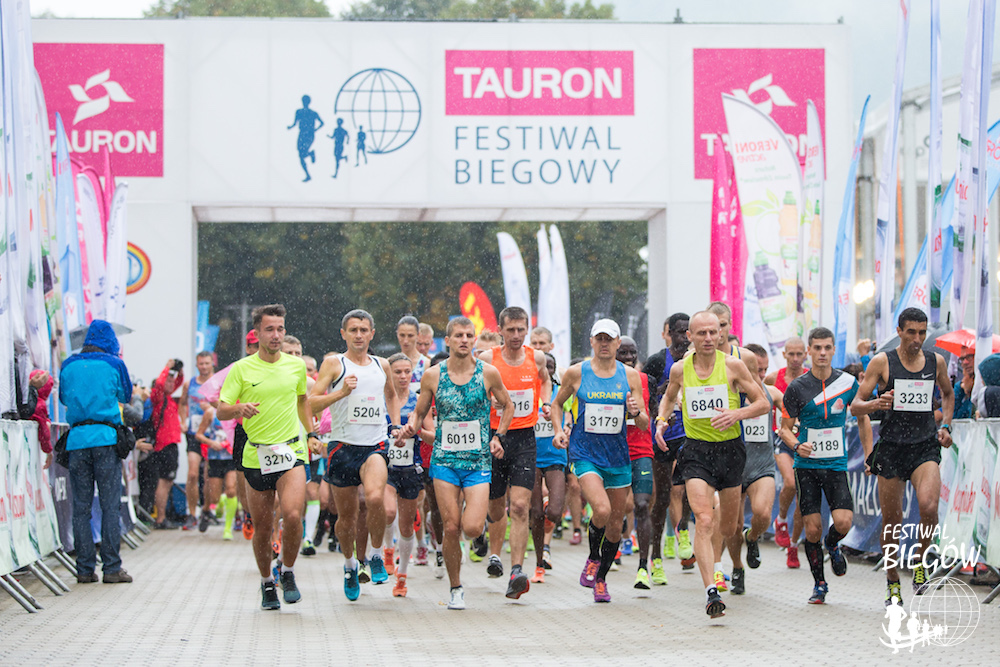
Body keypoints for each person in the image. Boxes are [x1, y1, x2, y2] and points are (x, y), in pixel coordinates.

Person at [655, 311, 768, 618]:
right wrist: (662, 420)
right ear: (689, 336)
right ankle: (711, 592)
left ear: (720, 334)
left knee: (728, 527)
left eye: (712, 332)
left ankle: (735, 542)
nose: (707, 338)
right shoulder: (680, 369)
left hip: (730, 450)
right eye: (701, 333)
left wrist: (737, 414)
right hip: (696, 451)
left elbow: (762, 403)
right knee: (704, 521)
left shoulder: (732, 365)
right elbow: (669, 397)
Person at [398, 316, 513, 610]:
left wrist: (499, 436)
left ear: (474, 340)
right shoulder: (433, 375)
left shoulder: (488, 373)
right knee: (450, 527)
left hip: (478, 461)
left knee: (471, 528)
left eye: (469, 335)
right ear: (447, 340)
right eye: (459, 335)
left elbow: (508, 404)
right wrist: (410, 428)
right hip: (445, 460)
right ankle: (456, 587)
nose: (464, 340)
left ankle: (477, 533)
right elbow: (419, 410)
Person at [218, 304, 323, 610]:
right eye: (269, 329)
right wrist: (238, 409)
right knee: (263, 528)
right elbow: (222, 409)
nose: (276, 335)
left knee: (292, 514)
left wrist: (311, 433)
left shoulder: (295, 367)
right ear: (257, 333)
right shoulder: (241, 369)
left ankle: (287, 571)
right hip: (257, 454)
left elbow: (303, 401)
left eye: (280, 329)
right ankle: (266, 582)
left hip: (291, 451)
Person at [852, 307, 954, 606]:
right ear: (899, 331)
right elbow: (856, 405)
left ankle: (920, 561)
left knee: (929, 506)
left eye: (922, 332)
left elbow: (948, 394)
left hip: (924, 446)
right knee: (892, 521)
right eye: (911, 332)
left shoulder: (936, 361)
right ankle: (892, 579)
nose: (917, 339)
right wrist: (877, 404)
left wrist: (946, 425)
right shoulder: (882, 362)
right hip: (892, 448)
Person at [551, 319, 648, 604]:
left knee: (616, 524)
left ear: (618, 343)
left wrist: (635, 412)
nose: (604, 344)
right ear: (592, 341)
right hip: (585, 454)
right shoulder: (576, 372)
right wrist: (558, 430)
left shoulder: (630, 376)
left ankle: (601, 579)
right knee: (602, 510)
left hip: (617, 456)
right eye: (600, 338)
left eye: (609, 339)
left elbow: (644, 422)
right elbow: (557, 404)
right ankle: (593, 557)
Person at [309, 309, 401, 601]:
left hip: (374, 446)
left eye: (364, 330)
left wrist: (394, 425)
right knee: (346, 519)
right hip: (342, 447)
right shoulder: (334, 364)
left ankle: (375, 554)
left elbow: (391, 395)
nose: (359, 335)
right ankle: (350, 565)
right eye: (353, 330)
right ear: (344, 334)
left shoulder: (382, 364)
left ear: (372, 334)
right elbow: (311, 403)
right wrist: (340, 394)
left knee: (375, 498)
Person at [781, 327, 869, 604]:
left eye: (827, 348)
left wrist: (869, 454)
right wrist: (797, 445)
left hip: (836, 465)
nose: (822, 353)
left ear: (833, 350)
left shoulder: (848, 383)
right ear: (809, 351)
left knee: (843, 522)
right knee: (812, 530)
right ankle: (819, 584)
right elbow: (784, 429)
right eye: (817, 348)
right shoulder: (797, 388)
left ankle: (832, 544)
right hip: (806, 466)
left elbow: (862, 416)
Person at [478, 306, 551, 599]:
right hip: (494, 439)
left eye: (521, 329)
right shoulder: (487, 359)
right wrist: (489, 402)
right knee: (496, 508)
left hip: (524, 439)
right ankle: (489, 539)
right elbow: (474, 392)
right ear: (500, 331)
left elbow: (545, 380)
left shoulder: (537, 358)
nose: (517, 335)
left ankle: (517, 572)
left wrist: (546, 402)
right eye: (511, 330)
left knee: (520, 506)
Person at [59, 320, 134, 584]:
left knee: (80, 508)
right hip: (106, 439)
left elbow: (64, 398)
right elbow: (126, 396)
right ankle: (111, 568)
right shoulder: (114, 363)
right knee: (109, 505)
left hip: (77, 441)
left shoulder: (68, 364)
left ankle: (84, 570)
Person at [726, 343, 783, 595]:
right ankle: (737, 567)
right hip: (734, 466)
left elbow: (792, 413)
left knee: (762, 514)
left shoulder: (772, 394)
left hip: (762, 465)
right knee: (732, 526)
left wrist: (793, 427)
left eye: (764, 370)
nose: (760, 376)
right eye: (755, 370)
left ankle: (752, 537)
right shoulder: (729, 393)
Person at [384, 353, 435, 597]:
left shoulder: (419, 401)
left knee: (406, 525)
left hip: (410, 468)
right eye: (398, 372)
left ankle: (402, 575)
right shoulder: (380, 400)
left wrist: (417, 431)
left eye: (407, 372)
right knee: (387, 511)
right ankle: (386, 550)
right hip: (385, 466)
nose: (403, 376)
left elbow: (433, 436)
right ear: (389, 374)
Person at [647, 313, 691, 582]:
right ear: (669, 334)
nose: (684, 337)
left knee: (688, 487)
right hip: (662, 436)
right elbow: (645, 395)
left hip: (689, 435)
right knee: (662, 497)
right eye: (679, 332)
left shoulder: (698, 361)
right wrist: (662, 400)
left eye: (688, 331)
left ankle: (683, 529)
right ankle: (656, 558)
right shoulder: (656, 361)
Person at [616, 336, 659, 590]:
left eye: (632, 353)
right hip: (612, 451)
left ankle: (643, 566)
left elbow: (652, 414)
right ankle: (607, 553)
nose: (629, 358)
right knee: (614, 509)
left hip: (641, 450)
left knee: (642, 505)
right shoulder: (602, 380)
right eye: (623, 353)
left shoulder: (646, 381)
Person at [765, 337, 807, 561]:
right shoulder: (774, 378)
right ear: (784, 354)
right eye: (791, 354)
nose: (795, 359)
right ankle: (781, 519)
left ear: (806, 354)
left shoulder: (811, 377)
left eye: (799, 354)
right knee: (790, 483)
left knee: (803, 498)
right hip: (782, 437)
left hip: (806, 441)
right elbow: (760, 397)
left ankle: (793, 545)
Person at [530, 353, 564, 584]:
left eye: (552, 367)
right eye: (545, 367)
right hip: (531, 455)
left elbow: (569, 415)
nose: (548, 371)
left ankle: (548, 515)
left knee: (554, 511)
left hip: (555, 454)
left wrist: (565, 428)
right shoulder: (530, 391)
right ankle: (539, 564)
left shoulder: (561, 392)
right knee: (535, 514)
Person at [149, 359, 185, 529]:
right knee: (164, 482)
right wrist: (167, 368)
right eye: (168, 381)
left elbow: (178, 381)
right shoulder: (158, 397)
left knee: (167, 481)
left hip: (170, 445)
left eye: (172, 381)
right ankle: (160, 519)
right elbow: (159, 384)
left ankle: (161, 517)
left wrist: (179, 371)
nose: (171, 384)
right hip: (164, 445)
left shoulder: (168, 398)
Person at [181, 351, 215, 529]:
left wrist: (211, 407)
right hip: (194, 432)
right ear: (197, 365)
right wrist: (182, 421)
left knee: (208, 476)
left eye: (207, 363)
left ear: (212, 364)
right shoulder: (190, 384)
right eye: (201, 364)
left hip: (211, 433)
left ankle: (206, 510)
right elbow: (182, 404)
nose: (204, 367)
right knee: (193, 474)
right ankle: (192, 513)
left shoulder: (218, 383)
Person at [195, 405, 238, 539]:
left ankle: (227, 529)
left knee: (231, 490)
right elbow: (198, 434)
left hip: (231, 457)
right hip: (215, 458)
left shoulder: (236, 410)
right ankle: (215, 505)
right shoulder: (210, 412)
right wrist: (211, 443)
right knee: (215, 498)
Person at [288, 94, 323, 182]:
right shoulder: (299, 112)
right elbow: (295, 123)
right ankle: (308, 172)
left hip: (308, 134)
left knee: (302, 154)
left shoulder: (312, 113)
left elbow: (322, 123)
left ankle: (310, 157)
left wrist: (315, 130)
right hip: (303, 134)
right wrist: (290, 127)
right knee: (301, 155)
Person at [397, 315, 431, 392]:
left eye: (410, 336)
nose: (406, 340)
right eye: (402, 335)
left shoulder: (426, 364)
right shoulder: (390, 363)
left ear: (418, 335)